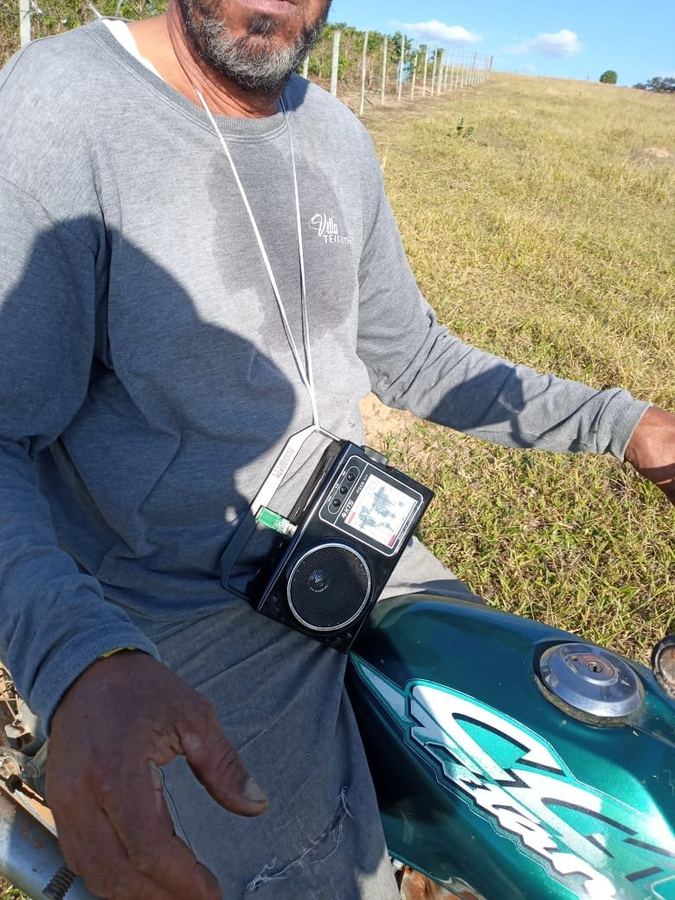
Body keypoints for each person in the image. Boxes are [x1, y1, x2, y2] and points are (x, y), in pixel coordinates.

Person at [0, 0, 672, 896]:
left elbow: (412, 356)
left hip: (356, 546)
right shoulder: (64, 104)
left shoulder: (333, 134)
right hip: (174, 599)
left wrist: (626, 425)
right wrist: (81, 661)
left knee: (576, 781)